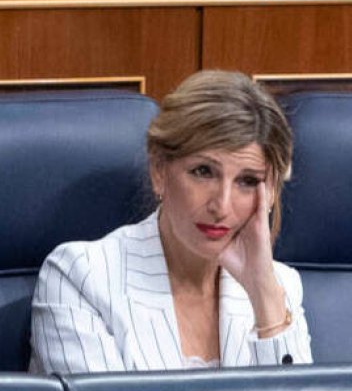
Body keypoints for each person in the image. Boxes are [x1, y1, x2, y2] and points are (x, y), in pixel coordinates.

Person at [30, 70, 311, 374]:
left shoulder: (280, 287)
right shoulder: (81, 277)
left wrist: (264, 295)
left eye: (247, 181)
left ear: (269, 194)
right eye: (203, 172)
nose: (222, 205)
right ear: (159, 171)